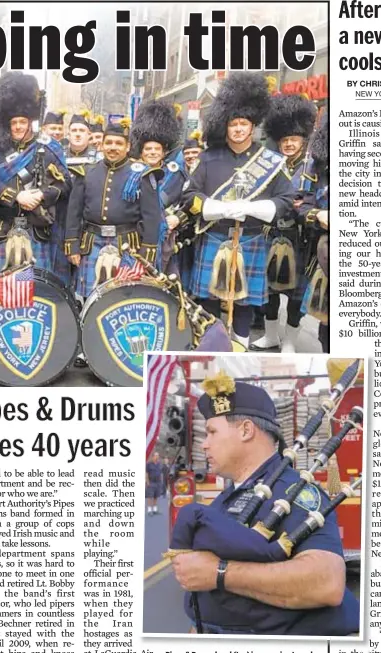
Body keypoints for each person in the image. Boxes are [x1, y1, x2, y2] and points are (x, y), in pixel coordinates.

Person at [171, 372, 357, 636]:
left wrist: (219, 572)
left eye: (212, 432)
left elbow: (327, 582)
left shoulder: (295, 491)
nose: (205, 445)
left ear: (246, 430)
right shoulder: (227, 498)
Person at [182, 73, 295, 348]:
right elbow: (189, 196)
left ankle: (241, 347)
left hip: (251, 238)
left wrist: (252, 208)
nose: (238, 129)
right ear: (226, 126)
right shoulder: (209, 158)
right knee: (208, 298)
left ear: (252, 126)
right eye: (233, 124)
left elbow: (287, 200)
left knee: (243, 302)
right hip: (215, 235)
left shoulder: (271, 160)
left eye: (243, 124)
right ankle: (211, 346)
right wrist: (219, 208)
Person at [0, 72, 70, 276]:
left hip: (36, 229)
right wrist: (16, 196)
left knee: (37, 293)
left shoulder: (49, 148)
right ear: (7, 123)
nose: (18, 126)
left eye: (22, 121)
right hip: (3, 227)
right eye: (14, 123)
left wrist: (41, 195)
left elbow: (65, 185)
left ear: (31, 121)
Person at [64, 117, 162, 300]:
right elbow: (74, 213)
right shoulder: (86, 172)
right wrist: (72, 246)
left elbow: (152, 217)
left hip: (127, 244)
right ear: (101, 145)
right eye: (108, 142)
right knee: (90, 297)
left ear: (127, 147)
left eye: (118, 143)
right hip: (91, 243)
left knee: (124, 298)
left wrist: (146, 254)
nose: (113, 147)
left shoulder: (141, 174)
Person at [251, 95, 317, 353]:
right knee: (268, 293)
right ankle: (271, 336)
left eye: (294, 140)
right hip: (270, 234)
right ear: (279, 141)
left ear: (303, 140)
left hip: (300, 238)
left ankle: (289, 341)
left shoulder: (313, 167)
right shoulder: (270, 165)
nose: (289, 144)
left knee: (295, 296)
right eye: (285, 140)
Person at [130, 99, 188, 273]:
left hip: (163, 235)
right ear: (141, 152)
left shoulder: (173, 171)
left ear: (163, 153)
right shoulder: (132, 173)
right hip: (133, 234)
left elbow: (173, 202)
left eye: (157, 149)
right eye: (148, 149)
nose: (152, 152)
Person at [53, 109, 99, 287]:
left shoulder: (99, 159)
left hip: (86, 222)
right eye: (74, 131)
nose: (78, 135)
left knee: (83, 270)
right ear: (68, 133)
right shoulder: (58, 156)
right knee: (59, 267)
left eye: (82, 131)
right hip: (60, 217)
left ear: (89, 135)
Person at [299, 111, 329, 352]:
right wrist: (318, 214)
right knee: (326, 331)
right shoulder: (320, 168)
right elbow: (305, 206)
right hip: (326, 255)